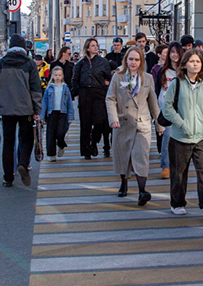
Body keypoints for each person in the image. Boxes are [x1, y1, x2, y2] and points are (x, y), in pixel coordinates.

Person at [105, 46, 164, 205]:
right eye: (131, 59)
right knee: (123, 155)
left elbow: (153, 103)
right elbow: (110, 99)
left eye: (137, 59)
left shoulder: (147, 78)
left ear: (141, 61)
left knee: (141, 156)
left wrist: (159, 125)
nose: (133, 62)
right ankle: (123, 183)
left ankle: (142, 191)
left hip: (142, 124)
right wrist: (113, 118)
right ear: (126, 60)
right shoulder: (118, 77)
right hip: (122, 122)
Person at [164, 49, 203, 218]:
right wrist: (181, 123)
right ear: (185, 64)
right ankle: (178, 203)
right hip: (180, 136)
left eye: (198, 61)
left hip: (201, 136)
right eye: (192, 61)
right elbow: (167, 108)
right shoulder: (177, 83)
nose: (195, 64)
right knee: (179, 173)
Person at [0, 34, 43, 187]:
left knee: (8, 143)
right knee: (26, 140)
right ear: (24, 47)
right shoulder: (29, 64)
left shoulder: (0, 64)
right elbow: (35, 89)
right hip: (26, 110)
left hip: (6, 110)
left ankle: (8, 178)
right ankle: (23, 164)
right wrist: (37, 109)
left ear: (10, 47)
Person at [71, 38, 113, 160]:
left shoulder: (103, 62)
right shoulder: (81, 63)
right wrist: (77, 92)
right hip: (85, 93)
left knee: (100, 121)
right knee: (85, 124)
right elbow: (75, 79)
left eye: (96, 45)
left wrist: (105, 85)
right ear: (87, 48)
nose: (95, 47)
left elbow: (108, 76)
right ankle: (86, 150)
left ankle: (94, 142)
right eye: (93, 45)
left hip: (99, 92)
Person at [155, 42, 183, 179]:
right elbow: (157, 90)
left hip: (182, 110)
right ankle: (165, 166)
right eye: (172, 52)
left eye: (177, 52)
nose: (175, 55)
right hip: (166, 109)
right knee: (167, 138)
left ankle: (179, 165)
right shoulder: (163, 71)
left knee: (182, 139)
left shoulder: (185, 71)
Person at [40, 66, 75, 162]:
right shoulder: (49, 89)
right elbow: (44, 103)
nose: (58, 77)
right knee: (50, 134)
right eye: (56, 75)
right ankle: (51, 154)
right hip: (51, 113)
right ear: (52, 76)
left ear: (62, 76)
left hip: (62, 113)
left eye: (59, 75)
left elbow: (69, 103)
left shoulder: (65, 88)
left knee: (61, 132)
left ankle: (61, 145)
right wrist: (41, 116)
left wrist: (70, 117)